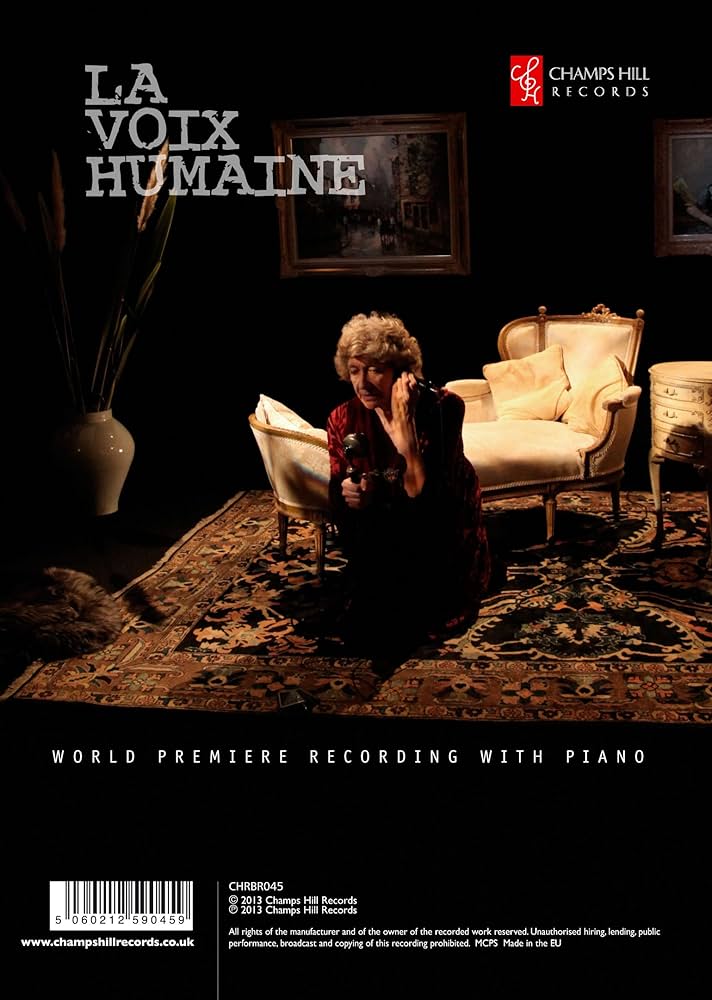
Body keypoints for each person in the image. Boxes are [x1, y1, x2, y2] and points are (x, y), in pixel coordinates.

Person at [326, 310, 491, 653]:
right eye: (354, 370)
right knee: (364, 617)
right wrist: (351, 494)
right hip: (380, 529)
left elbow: (434, 503)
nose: (362, 383)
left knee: (413, 611)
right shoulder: (343, 417)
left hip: (439, 530)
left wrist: (406, 439)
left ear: (401, 371)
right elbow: (339, 498)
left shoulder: (442, 408)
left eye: (374, 369)